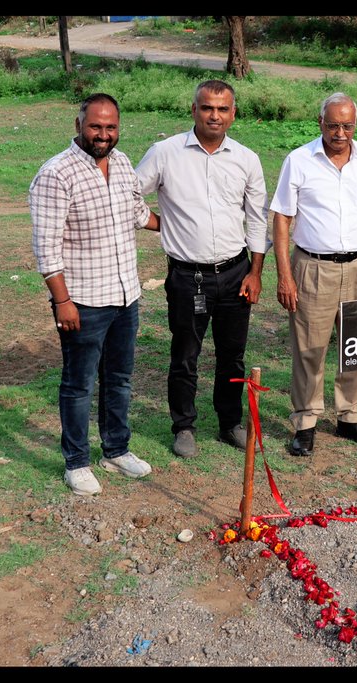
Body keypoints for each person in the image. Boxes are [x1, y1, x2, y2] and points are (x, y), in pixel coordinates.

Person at [30, 93, 160, 495]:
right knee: (79, 383)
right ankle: (76, 462)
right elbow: (46, 246)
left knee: (119, 379)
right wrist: (62, 301)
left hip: (125, 295)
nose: (103, 135)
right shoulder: (56, 174)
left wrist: (187, 224)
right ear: (78, 125)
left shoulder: (121, 164)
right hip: (83, 301)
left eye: (111, 127)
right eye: (95, 126)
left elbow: (139, 215)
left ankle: (117, 450)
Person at [135, 80, 268, 458]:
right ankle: (184, 426)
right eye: (207, 107)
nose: (214, 115)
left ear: (233, 113)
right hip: (186, 276)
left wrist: (255, 272)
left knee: (232, 354)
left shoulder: (247, 159)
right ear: (193, 110)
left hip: (235, 272)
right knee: (185, 353)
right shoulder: (165, 153)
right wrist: (157, 221)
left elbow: (257, 219)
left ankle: (230, 423)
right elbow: (128, 193)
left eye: (222, 109)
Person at [270, 92, 357, 457]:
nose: (340, 133)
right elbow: (282, 218)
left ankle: (351, 416)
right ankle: (306, 422)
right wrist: (284, 275)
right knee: (310, 347)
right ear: (320, 123)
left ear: (355, 125)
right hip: (312, 266)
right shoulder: (299, 160)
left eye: (347, 125)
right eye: (333, 125)